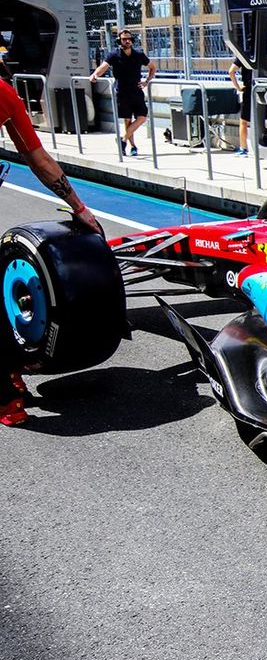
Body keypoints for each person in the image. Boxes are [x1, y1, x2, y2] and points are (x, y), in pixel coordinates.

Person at [0, 78, 104, 425]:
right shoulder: (3, 91)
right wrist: (78, 207)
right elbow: (36, 156)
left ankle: (8, 393)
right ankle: (9, 387)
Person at [89, 28, 156, 156]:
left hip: (136, 91)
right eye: (124, 39)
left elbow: (152, 67)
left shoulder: (139, 54)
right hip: (122, 92)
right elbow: (104, 66)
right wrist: (95, 74)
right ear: (119, 41)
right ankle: (132, 146)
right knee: (127, 120)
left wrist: (147, 81)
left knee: (142, 117)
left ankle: (123, 139)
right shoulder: (114, 54)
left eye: (129, 39)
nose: (127, 41)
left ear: (132, 40)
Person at [227, 53, 267, 157]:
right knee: (261, 120)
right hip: (262, 89)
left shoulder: (244, 56)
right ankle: (263, 146)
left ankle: (244, 148)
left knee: (243, 121)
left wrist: (238, 87)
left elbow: (231, 71)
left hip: (249, 90)